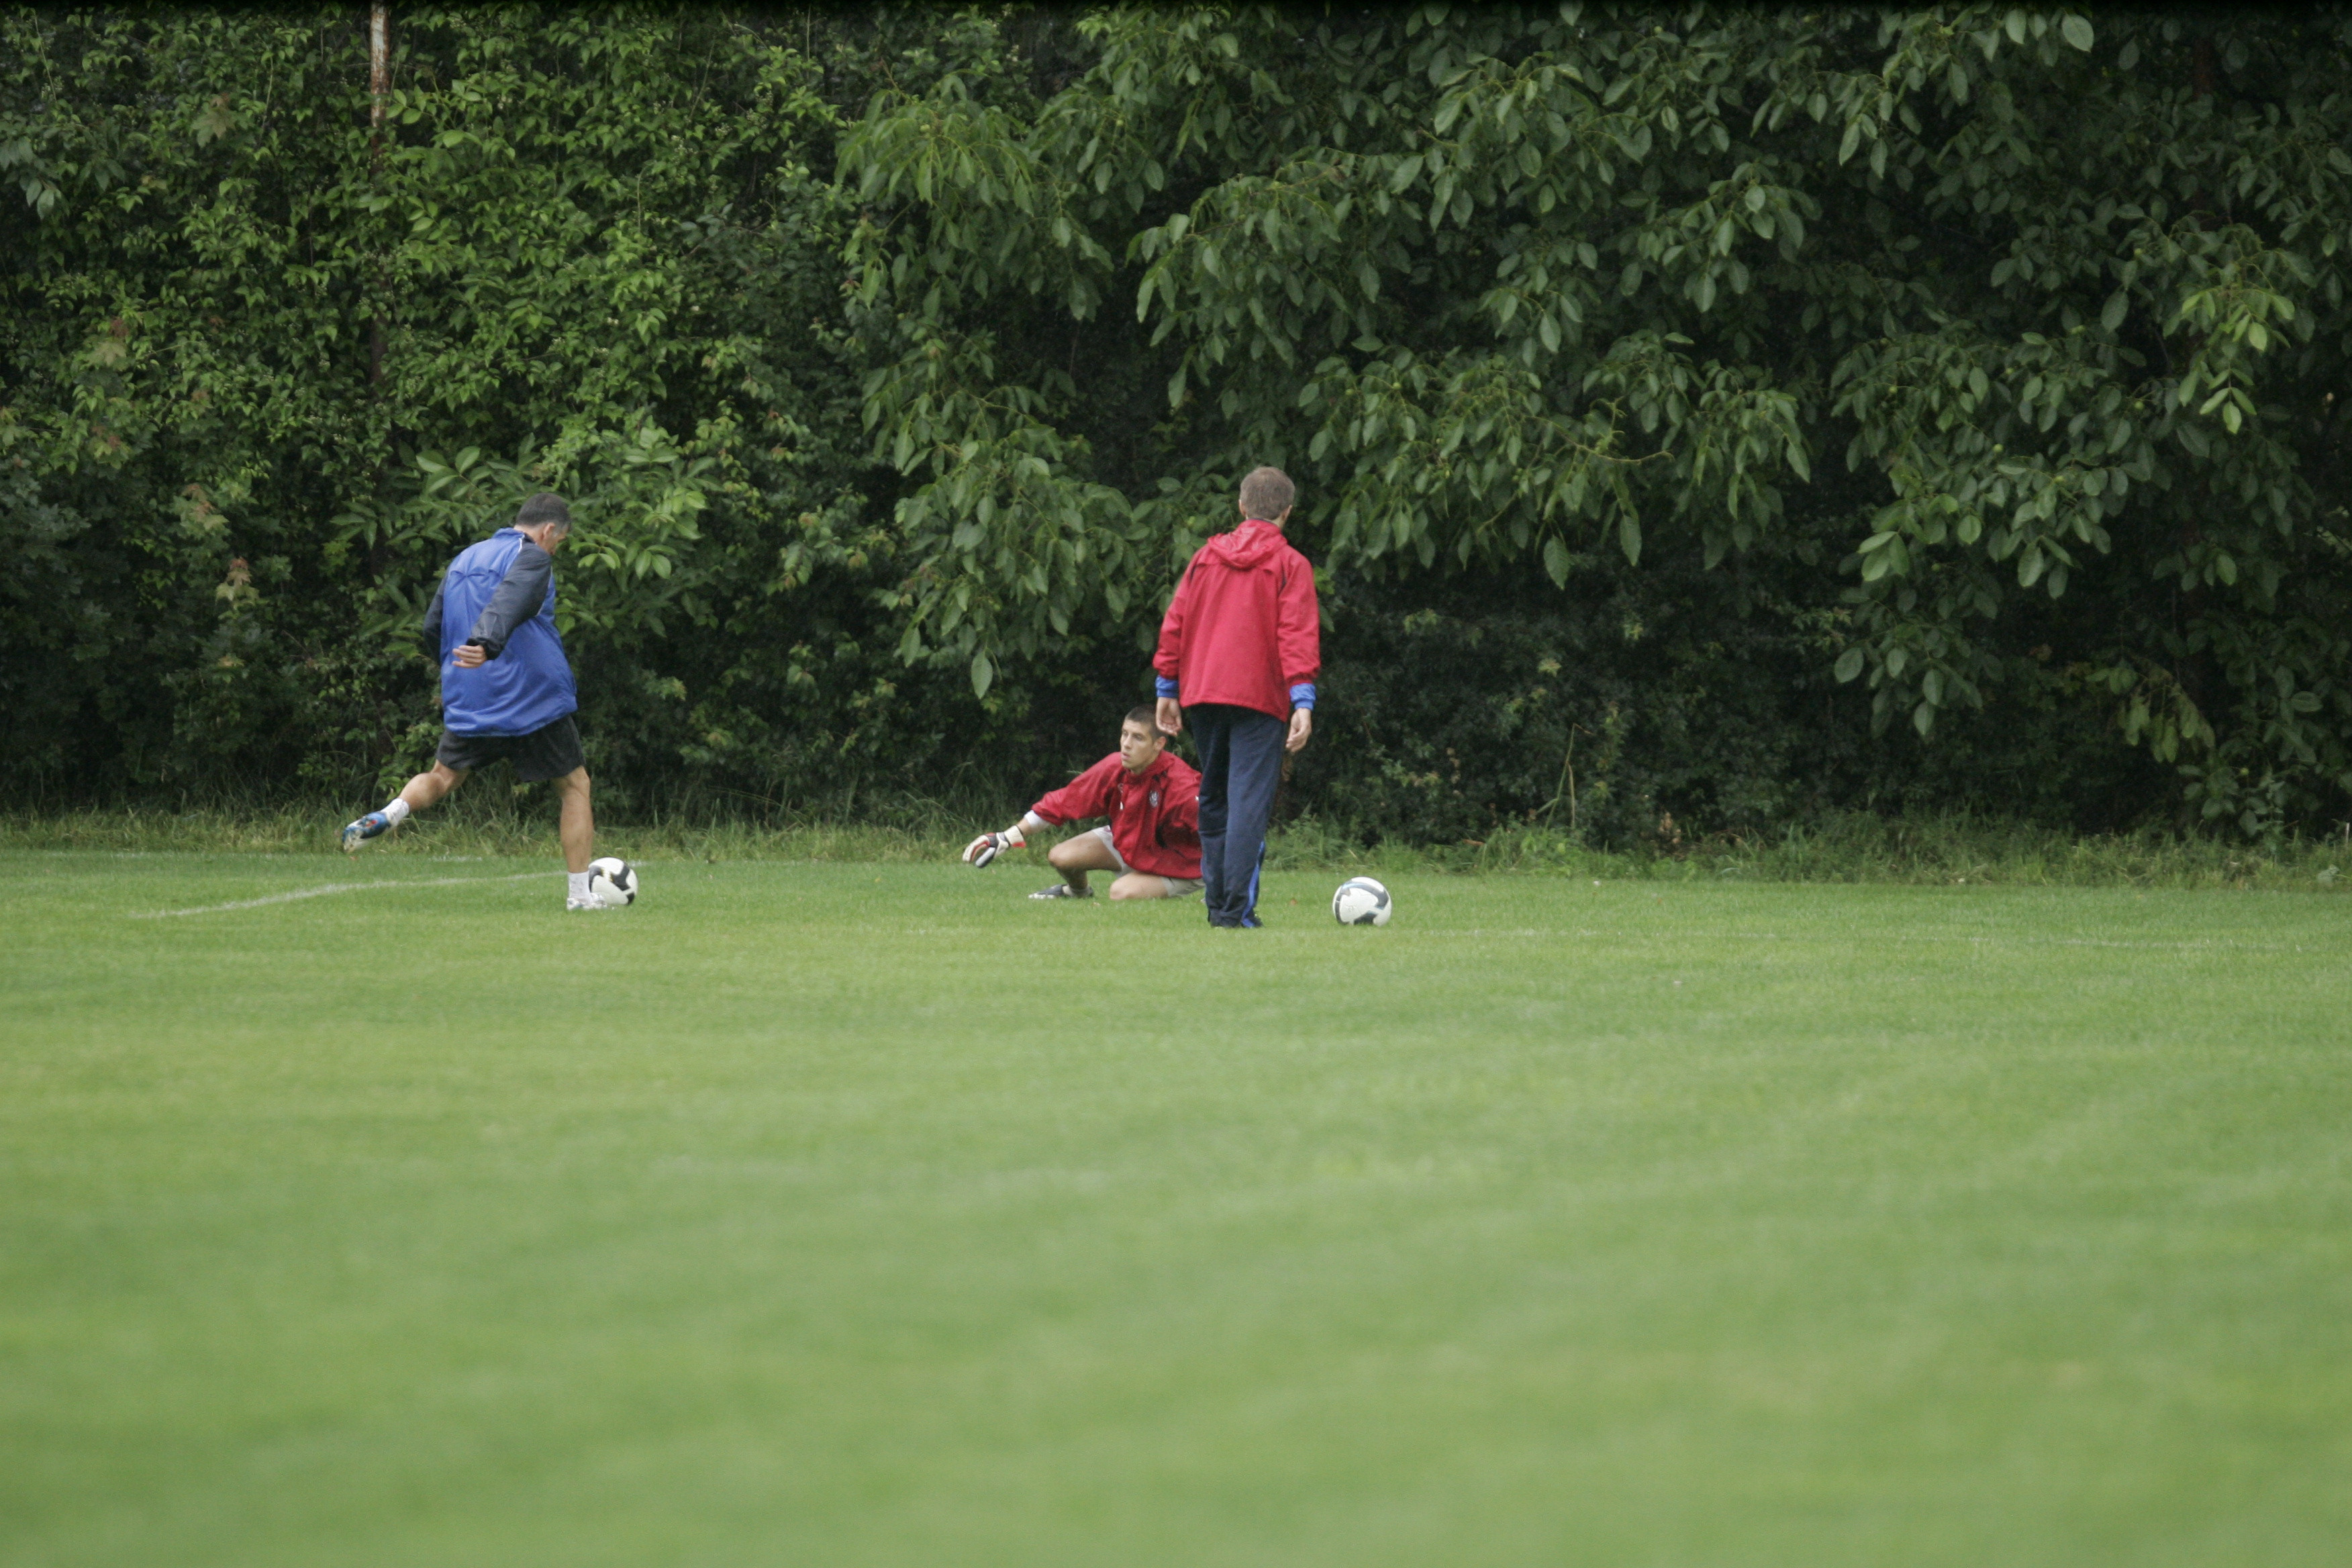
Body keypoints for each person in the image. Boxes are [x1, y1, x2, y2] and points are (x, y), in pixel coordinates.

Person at [339, 492, 605, 911]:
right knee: (575, 786)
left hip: (472, 694)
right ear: (549, 529)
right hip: (531, 698)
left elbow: (433, 626)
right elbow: (511, 597)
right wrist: (486, 642)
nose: (556, 548)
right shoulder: (533, 555)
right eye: (560, 541)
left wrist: (454, 669)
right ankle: (579, 897)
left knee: (443, 776)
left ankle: (394, 811)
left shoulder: (464, 558)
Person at [1152, 465, 1320, 928]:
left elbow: (1176, 621)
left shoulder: (1206, 557)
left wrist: (1168, 687)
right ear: (1287, 514)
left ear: (1241, 507)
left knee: (1214, 795)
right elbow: (1297, 636)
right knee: (1248, 800)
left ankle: (1218, 908)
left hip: (1203, 692)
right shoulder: (1291, 565)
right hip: (1259, 697)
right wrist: (1302, 701)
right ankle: (1233, 911)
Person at [963, 706, 1203, 900]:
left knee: (1121, 892)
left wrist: (1221, 890)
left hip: (1181, 863)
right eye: (1125, 734)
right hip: (1135, 844)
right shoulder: (1115, 766)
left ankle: (1161, 890)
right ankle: (1078, 894)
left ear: (1159, 744)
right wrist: (1009, 836)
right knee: (1061, 856)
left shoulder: (1180, 786)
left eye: (1138, 738)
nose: (1127, 744)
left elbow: (1222, 833)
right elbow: (1063, 802)